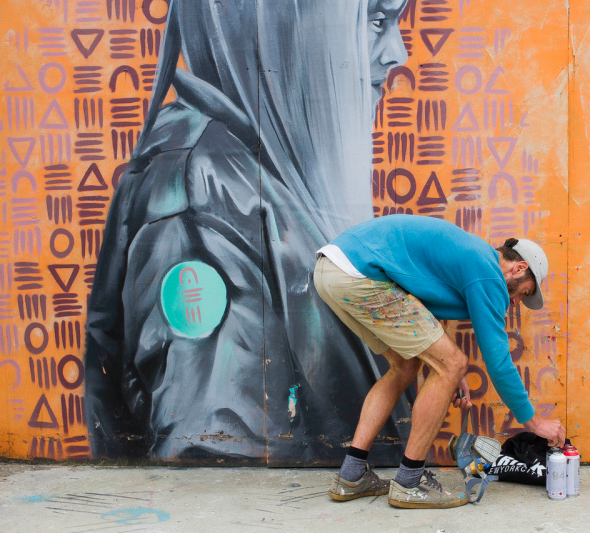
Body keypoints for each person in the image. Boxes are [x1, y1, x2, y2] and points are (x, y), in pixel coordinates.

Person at [84, 0, 412, 462]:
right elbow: (212, 454)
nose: (397, 54)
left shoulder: (251, 171)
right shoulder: (199, 205)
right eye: (375, 22)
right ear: (285, 24)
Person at [315, 214, 567, 509]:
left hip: (331, 269)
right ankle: (410, 482)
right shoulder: (488, 273)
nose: (514, 302)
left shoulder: (473, 257)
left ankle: (352, 475)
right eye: (522, 293)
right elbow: (498, 363)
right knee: (452, 363)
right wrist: (535, 422)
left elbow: (421, 311)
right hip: (360, 274)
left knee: (406, 365)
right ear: (519, 268)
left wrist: (446, 367)